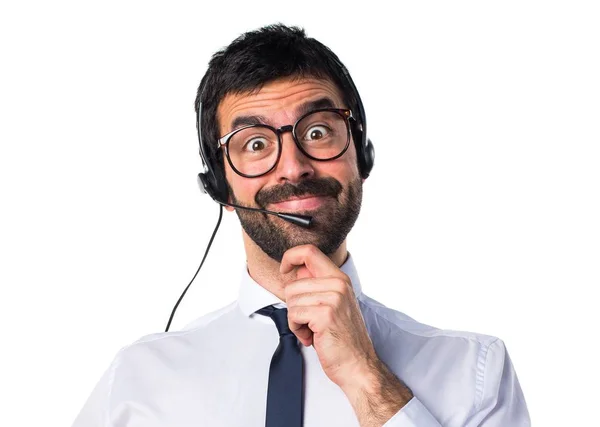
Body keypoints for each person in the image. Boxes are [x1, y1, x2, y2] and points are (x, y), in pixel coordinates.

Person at [72, 24, 530, 427]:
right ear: (221, 186)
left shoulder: (476, 372)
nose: (293, 168)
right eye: (255, 144)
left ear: (361, 155)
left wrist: (367, 379)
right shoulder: (137, 382)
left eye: (317, 132)